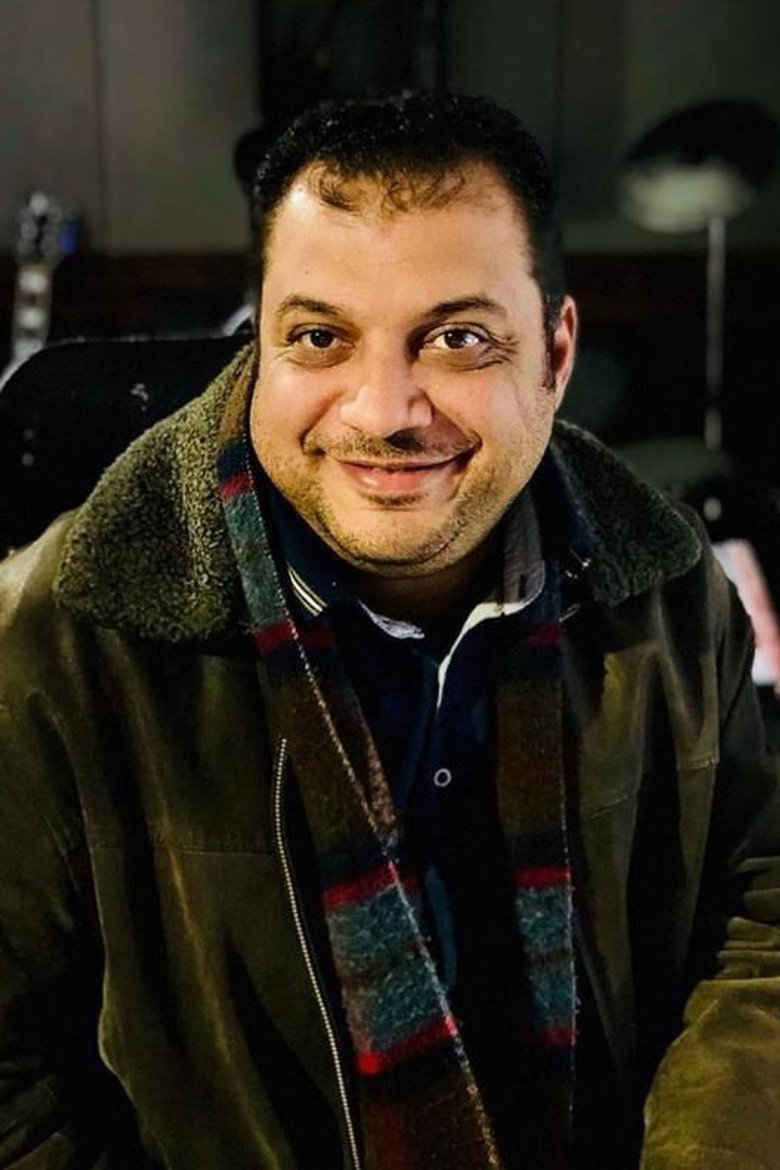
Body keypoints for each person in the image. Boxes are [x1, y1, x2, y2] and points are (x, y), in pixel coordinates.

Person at [0, 92, 778, 1170]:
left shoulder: (671, 595)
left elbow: (760, 913)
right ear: (261, 347)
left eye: (458, 339)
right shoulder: (61, 638)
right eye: (320, 337)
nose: (383, 411)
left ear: (555, 356)